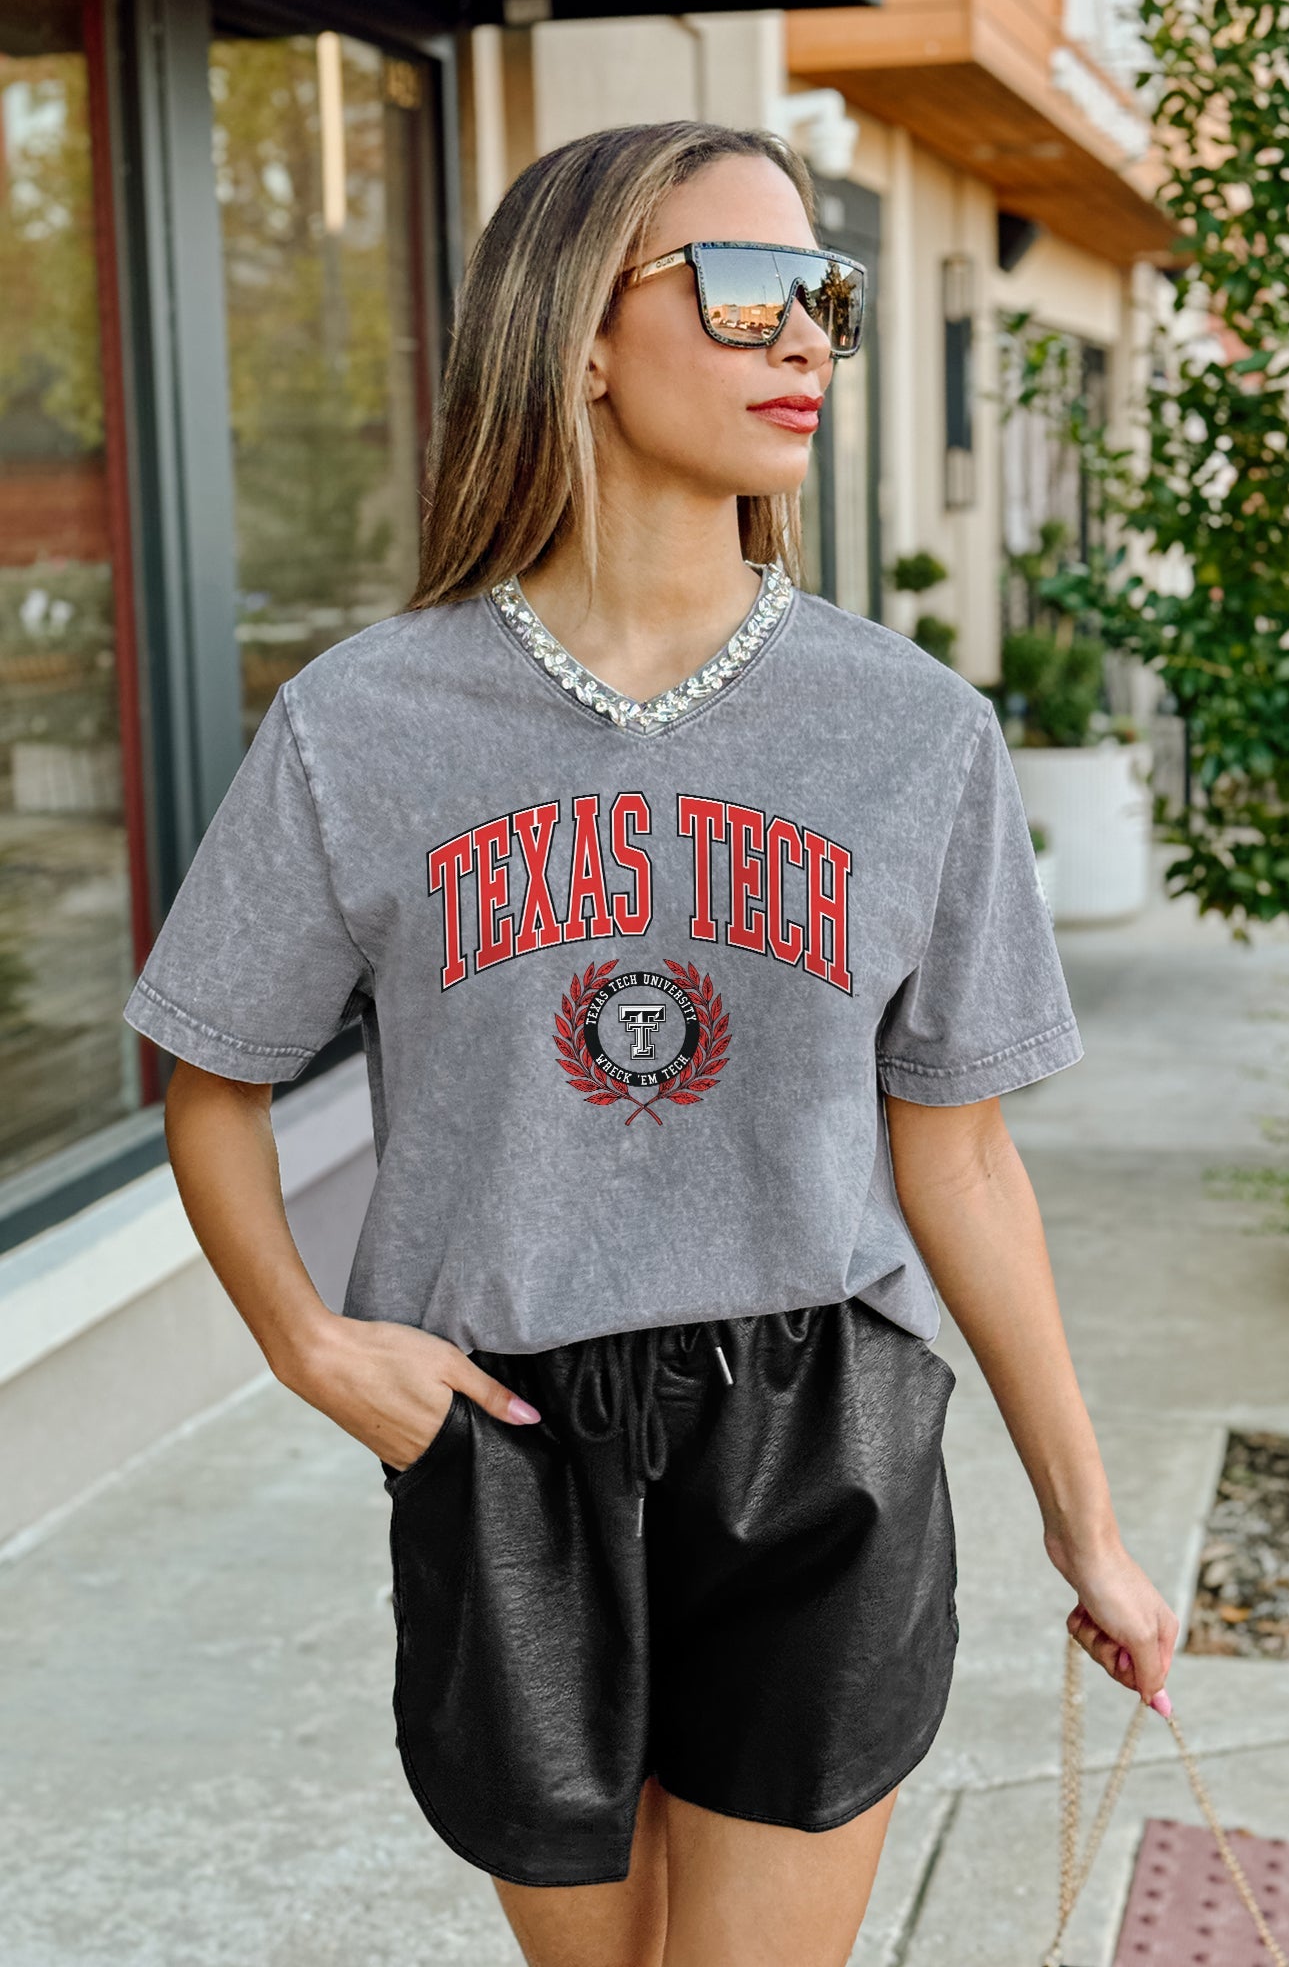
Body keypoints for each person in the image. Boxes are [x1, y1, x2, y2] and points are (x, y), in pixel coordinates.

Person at [121, 119, 1178, 1967]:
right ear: (580, 336)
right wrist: (310, 1345)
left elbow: (959, 1153)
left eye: (826, 296)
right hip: (506, 1437)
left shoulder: (908, 728)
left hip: (819, 1425)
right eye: (750, 289)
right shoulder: (365, 723)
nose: (808, 339)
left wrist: (1083, 1524)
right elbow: (211, 1076)